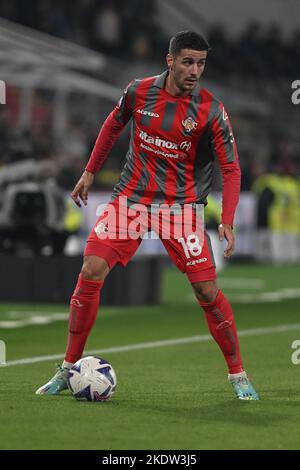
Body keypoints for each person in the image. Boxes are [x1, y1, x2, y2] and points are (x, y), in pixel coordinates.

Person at [36, 31, 259, 400]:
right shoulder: (139, 92)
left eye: (201, 63)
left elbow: (231, 169)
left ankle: (238, 374)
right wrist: (90, 171)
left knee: (206, 290)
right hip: (131, 201)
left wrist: (228, 219)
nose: (195, 70)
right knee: (90, 269)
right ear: (169, 60)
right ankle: (67, 367)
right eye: (188, 62)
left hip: (180, 209)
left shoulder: (211, 109)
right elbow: (112, 124)